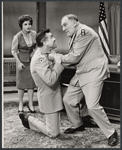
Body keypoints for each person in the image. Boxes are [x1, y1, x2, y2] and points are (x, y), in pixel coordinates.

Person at [49, 14, 118, 146]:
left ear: (75, 23)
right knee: (68, 100)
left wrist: (54, 57)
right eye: (62, 26)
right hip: (82, 71)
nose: (63, 29)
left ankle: (111, 132)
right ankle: (78, 124)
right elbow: (76, 59)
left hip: (93, 72)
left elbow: (74, 58)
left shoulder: (83, 32)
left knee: (92, 106)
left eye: (65, 25)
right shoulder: (74, 35)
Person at [19, 29, 64, 138]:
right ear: (44, 42)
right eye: (52, 37)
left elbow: (51, 57)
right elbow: (50, 80)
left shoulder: (45, 53)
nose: (55, 38)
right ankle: (28, 119)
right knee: (53, 134)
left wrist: (55, 58)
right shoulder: (39, 59)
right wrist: (58, 64)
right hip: (49, 98)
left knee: (55, 130)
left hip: (54, 95)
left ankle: (30, 120)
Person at [11, 14, 36, 113]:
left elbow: (37, 46)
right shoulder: (17, 36)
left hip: (32, 61)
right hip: (21, 62)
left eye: (29, 24)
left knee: (31, 84)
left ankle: (30, 103)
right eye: (25, 24)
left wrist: (34, 52)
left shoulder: (34, 34)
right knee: (21, 84)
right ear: (21, 25)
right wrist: (18, 62)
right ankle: (20, 103)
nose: (28, 26)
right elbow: (13, 51)